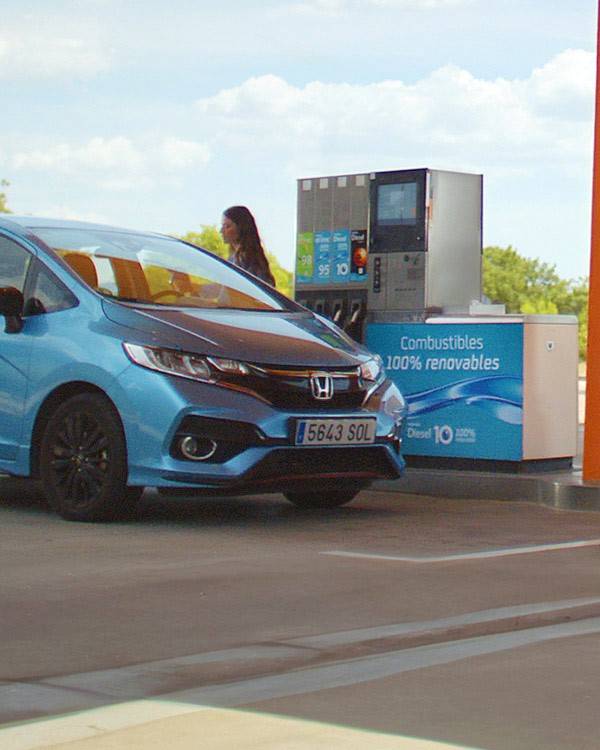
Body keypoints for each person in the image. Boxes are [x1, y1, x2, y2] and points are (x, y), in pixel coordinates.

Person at [220, 205, 276, 287]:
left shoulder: (247, 260)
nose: (221, 231)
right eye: (222, 226)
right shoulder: (234, 258)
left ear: (241, 228)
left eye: (227, 226)